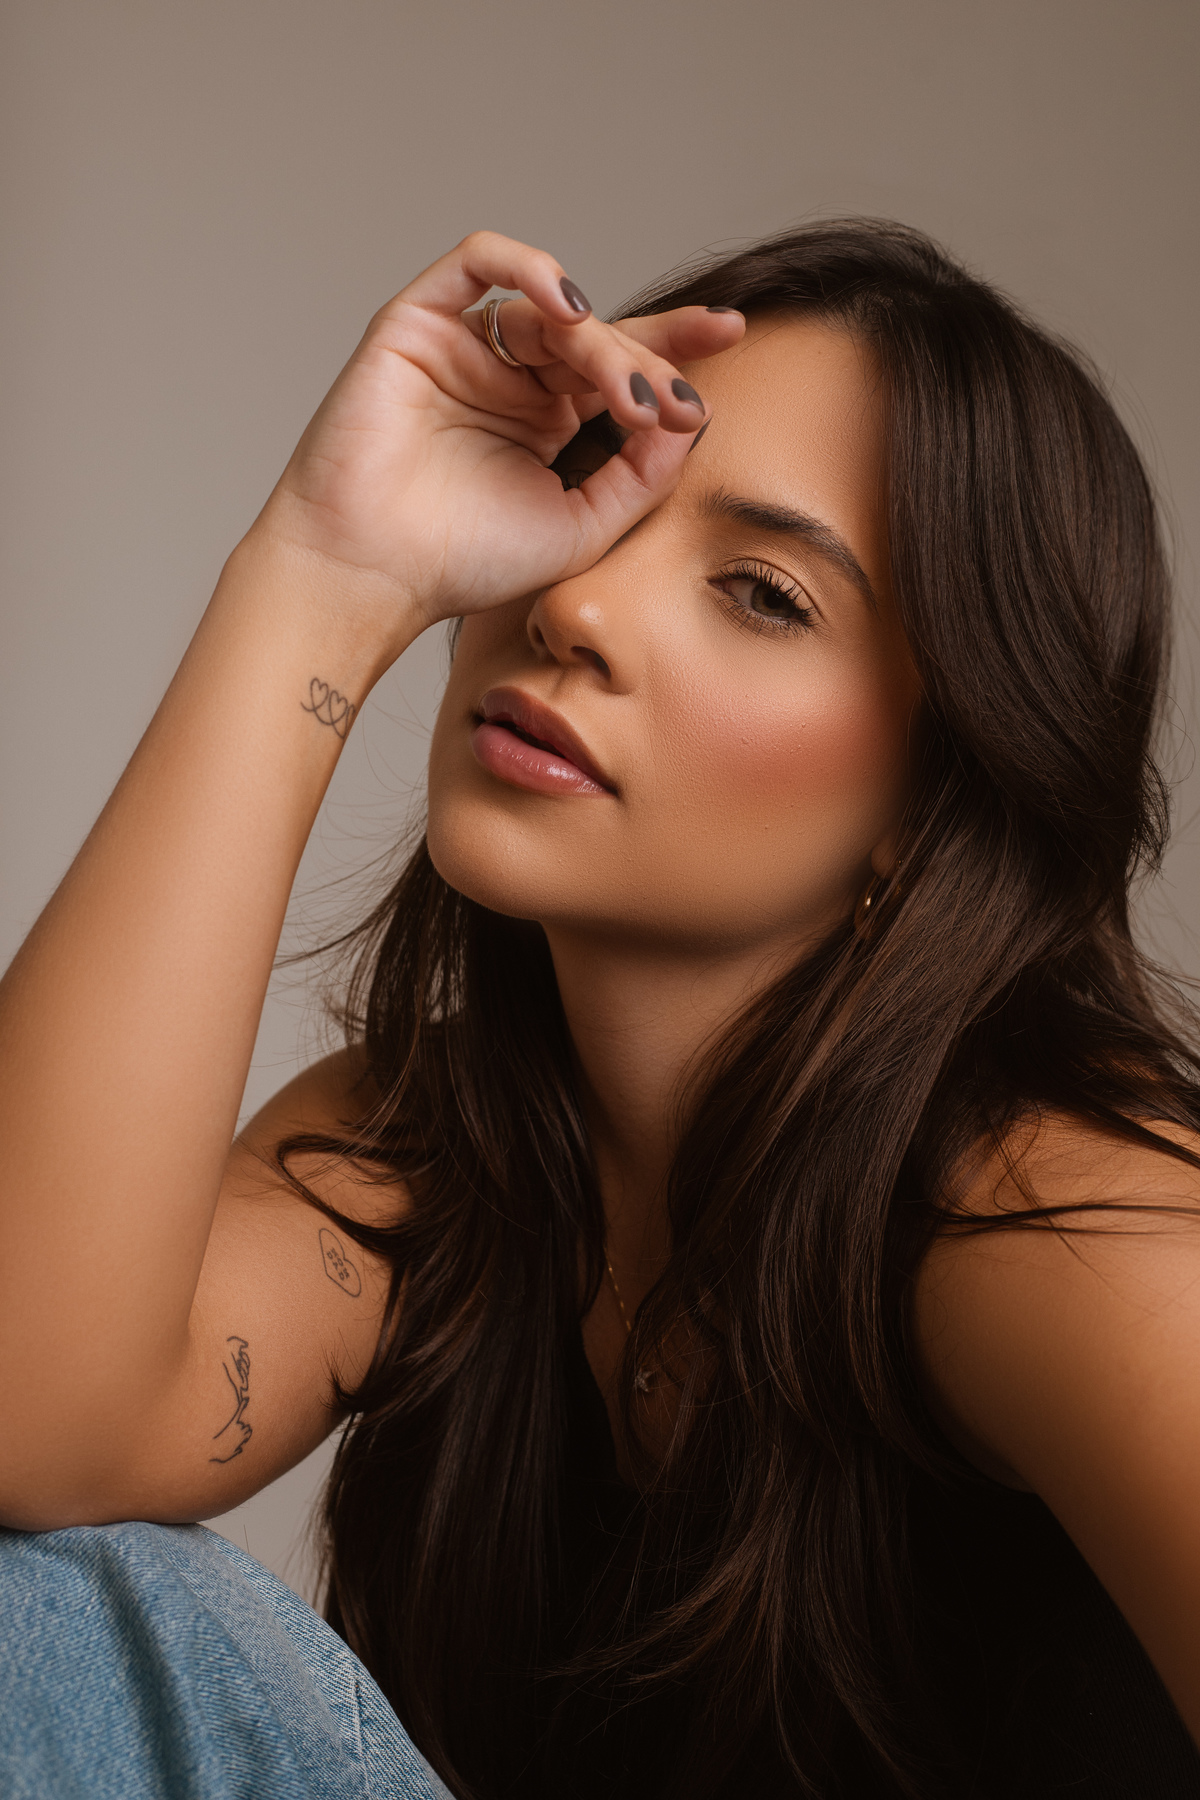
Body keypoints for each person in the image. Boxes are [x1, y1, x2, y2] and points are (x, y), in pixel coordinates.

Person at [1, 218, 1199, 1800]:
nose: (578, 604)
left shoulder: (1046, 1215)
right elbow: (29, 1419)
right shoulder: (431, 1155)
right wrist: (321, 578)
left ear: (931, 805)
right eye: (590, 483)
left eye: (762, 593)